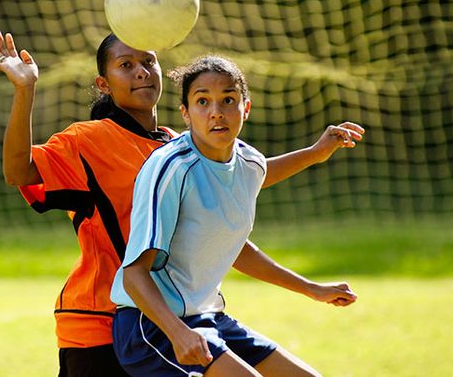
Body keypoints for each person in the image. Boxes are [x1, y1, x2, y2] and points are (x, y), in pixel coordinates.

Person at [0, 32, 364, 377]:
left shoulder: (177, 144)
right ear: (104, 83)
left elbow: (246, 177)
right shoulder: (88, 140)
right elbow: (19, 171)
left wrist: (314, 154)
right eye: (126, 65)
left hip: (176, 314)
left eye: (148, 61)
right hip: (101, 322)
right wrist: (24, 90)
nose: (142, 72)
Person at [110, 55, 362, 377]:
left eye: (228, 99)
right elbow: (134, 275)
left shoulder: (248, 162)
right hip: (152, 325)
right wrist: (177, 333)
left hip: (207, 317)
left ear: (246, 107)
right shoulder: (170, 168)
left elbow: (238, 242)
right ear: (185, 113)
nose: (216, 111)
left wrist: (312, 288)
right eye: (202, 101)